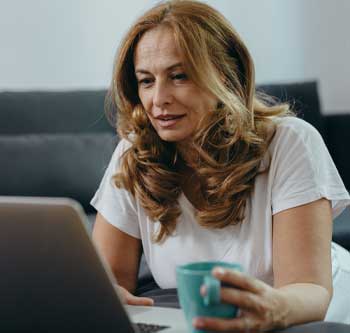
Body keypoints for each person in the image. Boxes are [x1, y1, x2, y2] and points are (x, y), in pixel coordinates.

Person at [91, 0, 350, 331]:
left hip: (310, 316)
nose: (158, 99)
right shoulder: (135, 153)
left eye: (179, 76)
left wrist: (267, 310)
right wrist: (105, 296)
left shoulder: (290, 142)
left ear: (227, 77)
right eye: (146, 81)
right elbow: (109, 281)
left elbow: (311, 290)